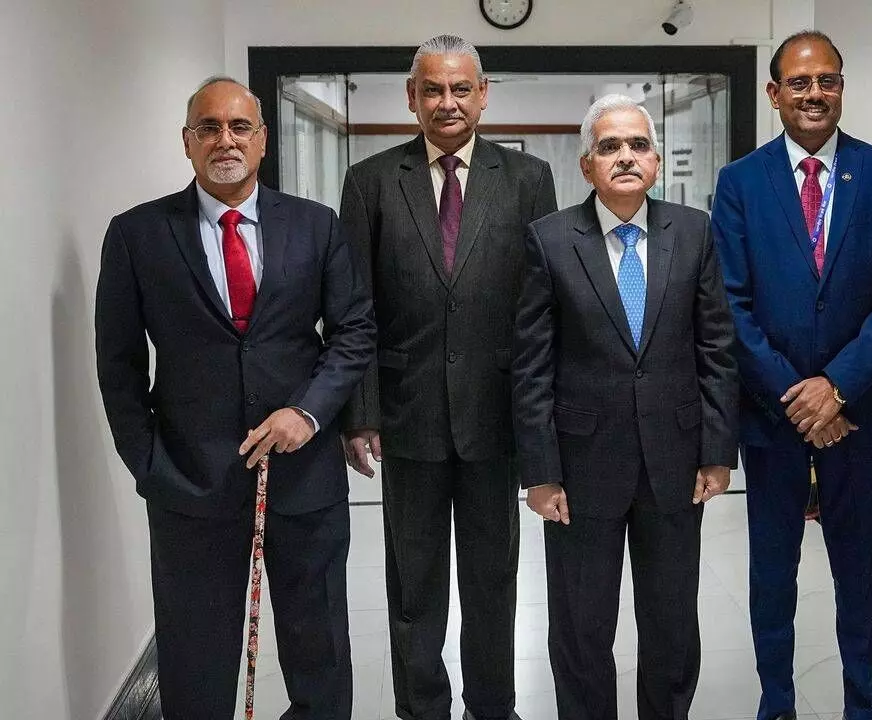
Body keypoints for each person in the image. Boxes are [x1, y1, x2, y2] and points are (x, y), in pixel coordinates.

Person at [95, 76, 375, 718]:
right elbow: (119, 363)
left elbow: (354, 331)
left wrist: (308, 412)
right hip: (190, 484)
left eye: (240, 127)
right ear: (187, 143)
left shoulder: (316, 226)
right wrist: (151, 468)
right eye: (209, 128)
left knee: (320, 645)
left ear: (263, 140)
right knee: (195, 653)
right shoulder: (137, 235)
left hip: (304, 479)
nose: (226, 140)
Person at [337, 34, 557, 720]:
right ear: (411, 98)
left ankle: (494, 707)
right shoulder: (371, 182)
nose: (447, 102)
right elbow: (355, 305)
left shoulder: (528, 179)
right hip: (408, 418)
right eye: (432, 89)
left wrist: (540, 417)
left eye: (461, 88)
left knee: (494, 581)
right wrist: (360, 410)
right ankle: (422, 708)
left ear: (484, 94)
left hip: (498, 417)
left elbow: (541, 308)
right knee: (415, 587)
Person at [711, 30, 872, 720]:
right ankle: (777, 705)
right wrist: (795, 396)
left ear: (841, 88)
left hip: (856, 412)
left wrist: (836, 388)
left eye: (827, 80)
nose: (814, 94)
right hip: (772, 416)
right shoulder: (740, 182)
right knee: (772, 576)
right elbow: (730, 302)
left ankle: (863, 703)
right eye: (799, 83)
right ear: (774, 94)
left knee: (857, 572)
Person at [512, 94, 739, 720]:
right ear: (586, 165)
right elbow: (531, 364)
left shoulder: (693, 231)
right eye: (609, 146)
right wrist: (539, 471)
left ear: (657, 161)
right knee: (582, 629)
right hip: (580, 472)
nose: (626, 157)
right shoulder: (552, 240)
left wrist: (718, 452)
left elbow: (717, 346)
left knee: (671, 626)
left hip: (676, 461)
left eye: (638, 145)